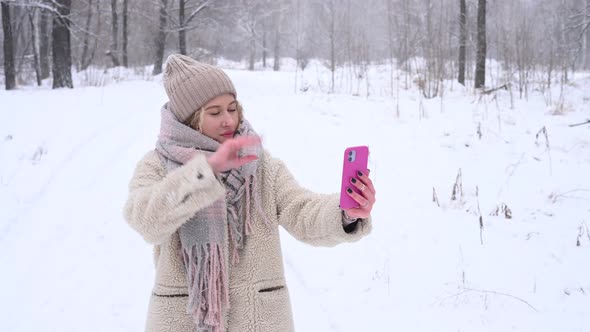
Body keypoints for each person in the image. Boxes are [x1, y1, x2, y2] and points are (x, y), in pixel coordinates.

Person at [123, 54, 376, 332]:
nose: (228, 120)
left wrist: (345, 213)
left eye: (232, 108)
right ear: (189, 120)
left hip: (259, 321)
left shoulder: (258, 163)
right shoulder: (158, 164)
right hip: (184, 321)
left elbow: (301, 209)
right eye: (214, 112)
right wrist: (206, 172)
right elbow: (144, 219)